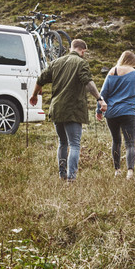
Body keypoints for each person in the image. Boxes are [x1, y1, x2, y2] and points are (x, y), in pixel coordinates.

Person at [30, 39, 106, 182]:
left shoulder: (56, 62)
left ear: (71, 48)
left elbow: (40, 79)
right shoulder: (81, 63)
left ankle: (62, 174)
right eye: (84, 52)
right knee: (75, 144)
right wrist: (99, 99)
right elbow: (88, 83)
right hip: (73, 110)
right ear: (82, 50)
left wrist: (34, 95)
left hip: (57, 108)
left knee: (62, 142)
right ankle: (71, 178)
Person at [95, 50, 135, 180]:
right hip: (128, 113)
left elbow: (103, 93)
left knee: (116, 141)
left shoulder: (113, 71)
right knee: (130, 143)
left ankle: (117, 170)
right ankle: (130, 172)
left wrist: (99, 110)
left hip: (111, 113)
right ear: (133, 61)